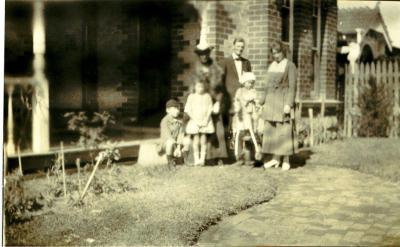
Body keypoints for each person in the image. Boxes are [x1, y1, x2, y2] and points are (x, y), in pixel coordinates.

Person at [258, 41, 297, 171]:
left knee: (283, 131)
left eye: (278, 52)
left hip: (283, 101)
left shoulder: (290, 66)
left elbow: (292, 87)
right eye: (273, 53)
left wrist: (289, 104)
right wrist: (261, 102)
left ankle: (286, 159)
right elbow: (266, 87)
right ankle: (275, 158)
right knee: (272, 132)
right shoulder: (271, 66)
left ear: (283, 52)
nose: (276, 56)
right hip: (271, 102)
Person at [192, 41, 228, 164]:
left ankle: (218, 156)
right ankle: (202, 157)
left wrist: (218, 102)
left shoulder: (215, 67)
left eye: (206, 53)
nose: (204, 56)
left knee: (217, 127)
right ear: (198, 54)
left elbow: (220, 88)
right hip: (200, 102)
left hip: (213, 100)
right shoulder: (196, 67)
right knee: (199, 128)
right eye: (201, 54)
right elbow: (193, 87)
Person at [221, 38, 252, 154]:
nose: (240, 49)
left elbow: (249, 81)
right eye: (238, 46)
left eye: (242, 47)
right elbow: (221, 81)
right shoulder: (225, 62)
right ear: (233, 46)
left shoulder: (246, 62)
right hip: (230, 98)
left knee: (242, 124)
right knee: (229, 124)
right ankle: (228, 152)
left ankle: (241, 151)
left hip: (243, 99)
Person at [232, 72, 261, 162]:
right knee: (238, 132)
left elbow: (255, 100)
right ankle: (237, 153)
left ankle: (256, 150)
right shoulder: (240, 91)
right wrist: (237, 107)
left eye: (252, 83)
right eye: (248, 82)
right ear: (244, 82)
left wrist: (256, 105)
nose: (250, 85)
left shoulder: (253, 91)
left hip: (249, 114)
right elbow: (236, 100)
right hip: (241, 114)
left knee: (251, 130)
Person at [184, 79, 215, 166]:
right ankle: (196, 159)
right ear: (195, 87)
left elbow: (210, 109)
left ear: (204, 87)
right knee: (196, 140)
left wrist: (206, 119)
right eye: (198, 86)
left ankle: (202, 159)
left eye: (202, 87)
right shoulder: (191, 97)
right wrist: (195, 120)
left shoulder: (207, 96)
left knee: (203, 140)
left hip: (205, 121)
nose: (200, 89)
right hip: (195, 121)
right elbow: (188, 110)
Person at [158, 99, 189, 166]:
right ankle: (170, 160)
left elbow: (181, 134)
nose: (177, 111)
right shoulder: (165, 121)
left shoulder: (179, 121)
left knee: (187, 140)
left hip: (176, 142)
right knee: (170, 142)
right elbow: (168, 136)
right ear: (168, 110)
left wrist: (178, 147)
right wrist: (175, 148)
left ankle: (186, 159)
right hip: (166, 142)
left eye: (178, 108)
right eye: (175, 109)